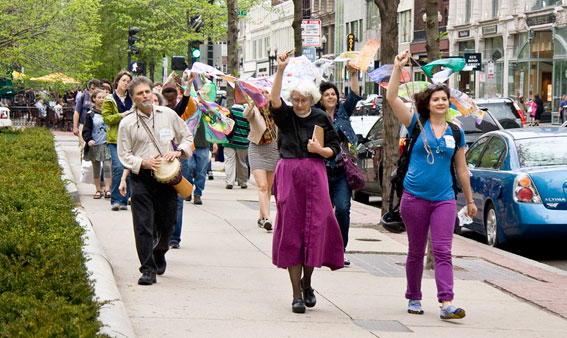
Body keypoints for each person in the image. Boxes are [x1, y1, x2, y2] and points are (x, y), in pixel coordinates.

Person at [386, 50, 477, 320]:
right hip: (414, 198)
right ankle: (413, 296)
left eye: (444, 99)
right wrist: (397, 68)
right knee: (415, 251)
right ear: (427, 103)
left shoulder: (456, 132)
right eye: (436, 99)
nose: (440, 102)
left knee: (443, 251)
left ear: (449, 104)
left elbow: (462, 170)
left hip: (444, 199)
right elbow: (391, 97)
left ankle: (446, 302)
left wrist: (470, 201)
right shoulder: (416, 123)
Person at [269, 51, 344, 314]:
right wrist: (280, 71)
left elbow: (335, 147)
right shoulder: (285, 116)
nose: (299, 104)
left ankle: (308, 282)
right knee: (292, 232)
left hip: (315, 173)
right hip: (289, 173)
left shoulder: (321, 118)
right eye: (296, 100)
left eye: (303, 100)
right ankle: (296, 294)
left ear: (312, 100)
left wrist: (321, 151)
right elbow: (274, 99)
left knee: (315, 227)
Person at [117, 76, 193, 285]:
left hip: (167, 179)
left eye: (147, 92)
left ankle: (160, 251)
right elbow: (124, 154)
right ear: (132, 97)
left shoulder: (168, 115)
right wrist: (143, 163)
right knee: (143, 225)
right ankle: (147, 269)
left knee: (168, 223)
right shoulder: (127, 123)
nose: (145, 96)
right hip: (141, 178)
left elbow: (187, 138)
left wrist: (178, 152)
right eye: (140, 93)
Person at [316, 62, 361, 266]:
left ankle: (340, 250)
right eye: (327, 94)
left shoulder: (343, 113)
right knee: (322, 212)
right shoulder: (315, 115)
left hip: (341, 171)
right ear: (321, 98)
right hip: (321, 170)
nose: (331, 97)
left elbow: (354, 94)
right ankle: (320, 248)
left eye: (333, 94)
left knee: (342, 209)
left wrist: (353, 74)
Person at [243, 92, 279, 231]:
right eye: (261, 93)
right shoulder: (254, 109)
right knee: (262, 186)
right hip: (256, 148)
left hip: (273, 148)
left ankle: (261, 216)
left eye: (266, 92)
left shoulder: (276, 109)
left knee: (268, 188)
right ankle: (268, 218)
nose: (264, 95)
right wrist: (251, 101)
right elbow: (246, 114)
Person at [102, 70, 133, 211]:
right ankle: (116, 199)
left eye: (128, 81)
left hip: (131, 138)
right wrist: (122, 115)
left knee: (130, 168)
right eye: (123, 80)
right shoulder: (110, 99)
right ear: (117, 81)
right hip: (115, 138)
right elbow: (107, 119)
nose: (126, 83)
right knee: (118, 168)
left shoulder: (132, 98)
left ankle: (125, 199)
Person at [82, 89, 112, 199]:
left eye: (103, 97)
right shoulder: (90, 114)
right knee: (96, 167)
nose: (101, 100)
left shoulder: (109, 113)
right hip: (95, 144)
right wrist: (88, 139)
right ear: (94, 99)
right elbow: (86, 129)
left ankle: (108, 189)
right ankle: (98, 189)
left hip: (106, 144)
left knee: (108, 166)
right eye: (99, 97)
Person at [224, 104, 250, 189]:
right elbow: (249, 128)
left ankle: (230, 182)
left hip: (228, 141)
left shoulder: (227, 111)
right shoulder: (245, 113)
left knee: (229, 161)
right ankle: (243, 182)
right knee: (242, 162)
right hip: (242, 142)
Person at [73, 79, 101, 151]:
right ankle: (83, 161)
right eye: (92, 89)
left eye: (96, 89)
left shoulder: (101, 98)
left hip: (97, 127)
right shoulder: (83, 97)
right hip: (84, 125)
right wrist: (75, 127)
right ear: (89, 88)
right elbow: (77, 112)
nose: (94, 90)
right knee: (83, 146)